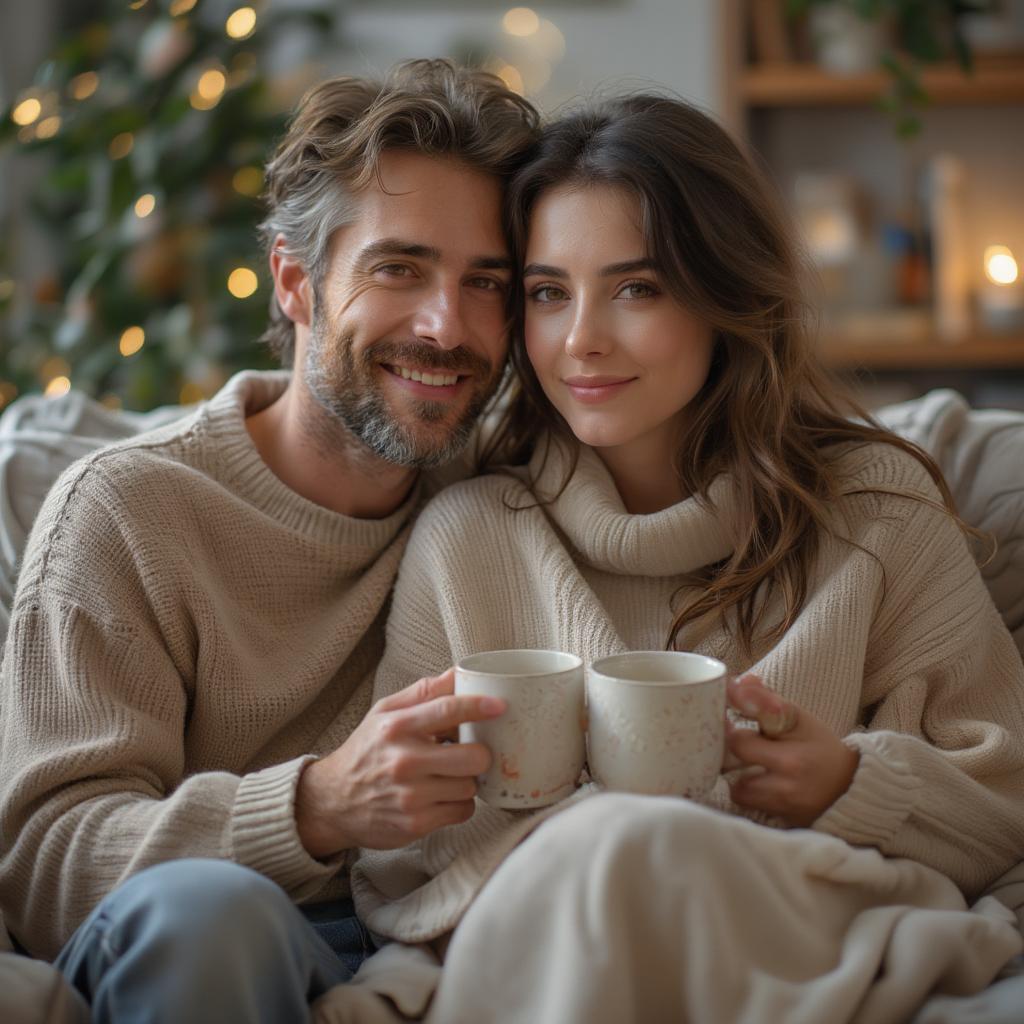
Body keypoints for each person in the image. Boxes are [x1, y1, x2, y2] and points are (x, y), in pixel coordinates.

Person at [349, 94, 1024, 1022]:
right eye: (547, 292)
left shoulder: (874, 514)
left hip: (794, 920)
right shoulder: (470, 534)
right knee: (612, 848)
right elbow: (398, 860)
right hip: (541, 944)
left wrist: (849, 786)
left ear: (725, 295)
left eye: (638, 287)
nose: (581, 337)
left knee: (629, 848)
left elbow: (1005, 808)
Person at [0, 59, 539, 1022]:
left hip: (422, 940)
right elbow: (48, 863)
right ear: (295, 282)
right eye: (398, 268)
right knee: (211, 915)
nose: (447, 326)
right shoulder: (126, 510)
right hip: (199, 945)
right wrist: (316, 805)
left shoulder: (506, 496)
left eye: (485, 283)